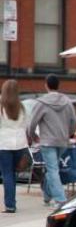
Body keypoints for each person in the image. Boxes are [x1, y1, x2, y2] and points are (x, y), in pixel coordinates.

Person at [28, 74, 76, 207]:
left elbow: (31, 124)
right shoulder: (67, 101)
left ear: (46, 85)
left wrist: (33, 136)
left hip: (47, 142)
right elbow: (74, 122)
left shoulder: (41, 102)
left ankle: (60, 199)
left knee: (52, 170)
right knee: (53, 168)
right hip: (62, 141)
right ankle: (47, 195)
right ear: (58, 85)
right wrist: (68, 133)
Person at [0, 80, 29, 213]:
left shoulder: (1, 106)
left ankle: (10, 205)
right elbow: (25, 125)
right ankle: (11, 202)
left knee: (7, 174)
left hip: (4, 144)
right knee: (13, 174)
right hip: (20, 144)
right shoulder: (22, 107)